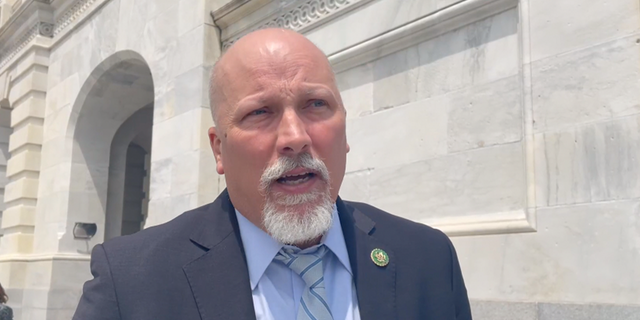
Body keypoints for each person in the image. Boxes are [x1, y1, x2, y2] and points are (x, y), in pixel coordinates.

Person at [73, 28, 472, 320]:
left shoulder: (429, 259)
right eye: (259, 112)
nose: (295, 138)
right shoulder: (128, 283)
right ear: (219, 149)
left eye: (316, 104)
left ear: (345, 131)